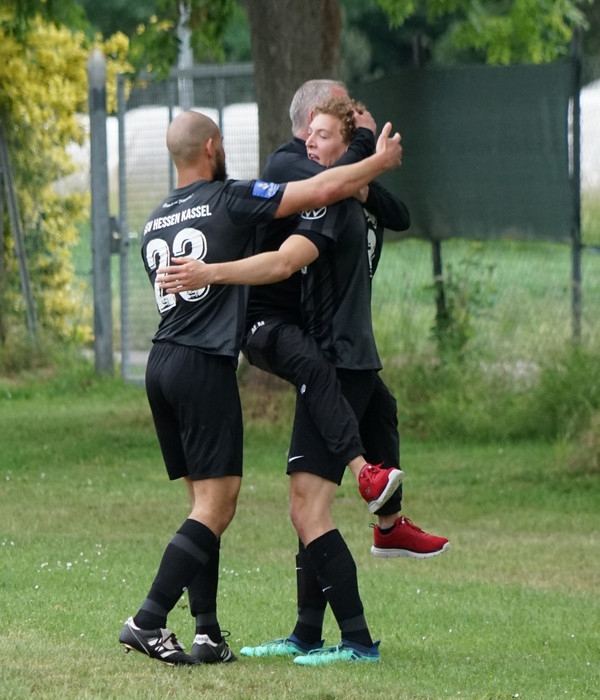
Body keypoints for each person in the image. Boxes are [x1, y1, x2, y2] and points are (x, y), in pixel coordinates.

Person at [119, 109, 403, 666]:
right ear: (212, 146)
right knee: (215, 508)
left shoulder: (154, 220)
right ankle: (147, 620)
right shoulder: (229, 197)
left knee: (202, 508)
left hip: (161, 364)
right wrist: (377, 160)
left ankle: (206, 633)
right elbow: (321, 189)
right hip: (203, 366)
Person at [245, 79, 449, 561]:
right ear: (313, 120)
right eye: (342, 113)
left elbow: (397, 214)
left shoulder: (344, 180)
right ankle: (368, 487)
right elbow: (327, 192)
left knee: (381, 408)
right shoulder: (290, 164)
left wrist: (362, 183)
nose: (354, 117)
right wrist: (365, 142)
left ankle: (390, 524)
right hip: (300, 333)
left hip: (346, 341)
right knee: (309, 505)